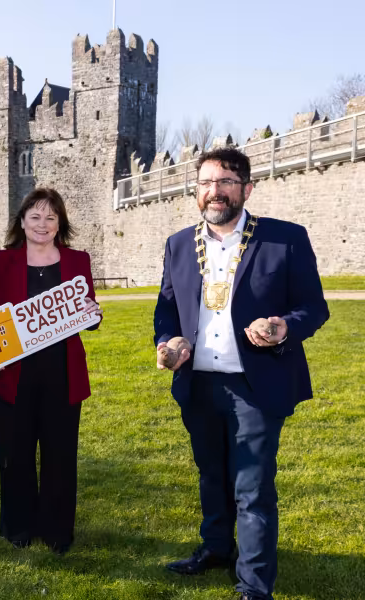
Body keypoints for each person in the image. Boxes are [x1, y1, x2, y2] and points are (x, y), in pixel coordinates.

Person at [153, 147, 329, 600]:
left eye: (226, 182)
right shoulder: (177, 244)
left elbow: (314, 307)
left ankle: (253, 584)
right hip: (198, 383)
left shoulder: (284, 239)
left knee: (251, 486)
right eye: (207, 183)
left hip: (255, 384)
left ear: (246, 189)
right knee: (211, 474)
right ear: (196, 191)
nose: (216, 191)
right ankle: (215, 549)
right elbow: (167, 309)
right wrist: (168, 342)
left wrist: (282, 326)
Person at [0, 188, 102, 554]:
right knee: (15, 454)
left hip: (62, 373)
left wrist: (93, 314)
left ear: (60, 223)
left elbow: (88, 313)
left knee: (60, 454)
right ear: (21, 221)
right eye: (35, 216)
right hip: (13, 375)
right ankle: (17, 525)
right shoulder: (2, 261)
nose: (42, 224)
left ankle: (56, 530)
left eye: (51, 218)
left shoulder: (78, 260)